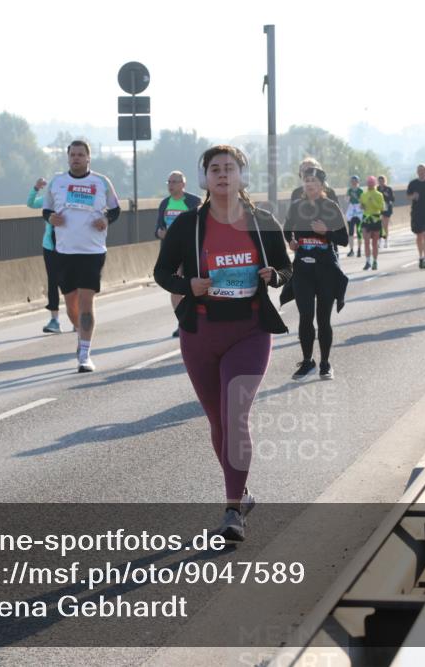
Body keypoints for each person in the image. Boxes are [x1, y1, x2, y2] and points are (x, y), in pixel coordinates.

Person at [153, 145, 292, 541]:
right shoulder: (188, 226)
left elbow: (286, 267)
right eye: (215, 169)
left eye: (230, 168)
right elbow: (162, 272)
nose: (223, 175)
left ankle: (232, 510)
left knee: (235, 416)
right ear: (204, 179)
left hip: (249, 330)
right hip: (199, 333)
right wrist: (187, 285)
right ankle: (242, 493)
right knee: (218, 421)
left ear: (242, 175)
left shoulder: (262, 221)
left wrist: (274, 276)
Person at [41, 140, 121, 372]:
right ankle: (81, 337)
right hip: (64, 252)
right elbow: (46, 209)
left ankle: (85, 354)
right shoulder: (57, 182)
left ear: (88, 158)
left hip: (92, 252)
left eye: (80, 154)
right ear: (68, 158)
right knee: (71, 306)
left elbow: (116, 209)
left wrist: (106, 219)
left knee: (87, 302)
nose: (76, 158)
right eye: (73, 154)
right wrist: (50, 218)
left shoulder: (101, 182)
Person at [281, 166, 349, 381]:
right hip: (302, 270)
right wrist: (291, 241)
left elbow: (344, 239)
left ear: (321, 184)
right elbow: (286, 229)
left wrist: (325, 232)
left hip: (326, 270)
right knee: (305, 316)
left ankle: (325, 364)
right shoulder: (296, 207)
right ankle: (307, 361)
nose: (308, 183)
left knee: (323, 319)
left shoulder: (330, 207)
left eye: (313, 180)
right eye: (305, 179)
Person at [155, 171, 203, 337]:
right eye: (169, 182)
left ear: (183, 184)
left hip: (190, 253)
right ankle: (182, 322)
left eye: (175, 182)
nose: (171, 185)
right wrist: (161, 234)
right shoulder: (164, 203)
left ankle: (197, 318)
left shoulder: (194, 202)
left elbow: (201, 226)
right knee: (175, 290)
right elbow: (158, 228)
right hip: (172, 254)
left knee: (194, 287)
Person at [28, 177, 78, 334]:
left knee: (72, 283)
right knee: (52, 282)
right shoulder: (48, 199)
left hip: (71, 247)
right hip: (50, 246)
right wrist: (36, 188)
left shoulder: (73, 198)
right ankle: (54, 320)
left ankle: (77, 319)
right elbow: (31, 203)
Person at [407, 164, 425, 269]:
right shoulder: (413, 183)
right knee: (419, 236)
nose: (421, 172)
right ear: (417, 172)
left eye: (423, 170)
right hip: (416, 212)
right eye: (419, 170)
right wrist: (413, 196)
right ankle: (420, 257)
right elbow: (408, 195)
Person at [360, 176, 386, 271]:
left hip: (375, 219)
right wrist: (362, 206)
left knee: (374, 243)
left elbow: (381, 208)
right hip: (366, 219)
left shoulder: (379, 195)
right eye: (368, 182)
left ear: (374, 183)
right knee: (366, 242)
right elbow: (362, 206)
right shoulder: (363, 194)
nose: (370, 184)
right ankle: (368, 261)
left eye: (371, 182)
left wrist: (373, 201)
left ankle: (375, 261)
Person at [345, 176, 364, 258]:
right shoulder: (349, 190)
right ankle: (351, 250)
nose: (353, 182)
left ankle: (359, 249)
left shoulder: (361, 190)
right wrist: (347, 198)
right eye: (352, 181)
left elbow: (363, 200)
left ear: (358, 182)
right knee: (351, 232)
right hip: (351, 210)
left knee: (359, 231)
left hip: (359, 211)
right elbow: (347, 200)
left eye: (355, 181)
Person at [377, 175, 395, 248]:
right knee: (379, 225)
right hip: (379, 208)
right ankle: (379, 241)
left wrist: (387, 195)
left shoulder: (388, 189)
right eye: (380, 181)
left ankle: (386, 241)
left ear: (385, 181)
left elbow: (393, 199)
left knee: (385, 225)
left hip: (387, 208)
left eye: (382, 181)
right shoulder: (377, 189)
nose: (381, 182)